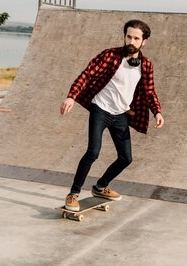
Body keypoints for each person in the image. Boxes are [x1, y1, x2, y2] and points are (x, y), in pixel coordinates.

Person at [60, 19, 164, 211]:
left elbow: (149, 91)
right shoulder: (109, 55)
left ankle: (100, 186)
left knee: (126, 158)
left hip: (121, 115)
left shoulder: (146, 65)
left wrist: (157, 111)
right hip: (101, 109)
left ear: (144, 42)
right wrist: (71, 97)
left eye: (136, 38)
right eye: (128, 37)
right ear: (125, 37)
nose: (131, 41)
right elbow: (87, 75)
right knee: (93, 152)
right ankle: (73, 194)